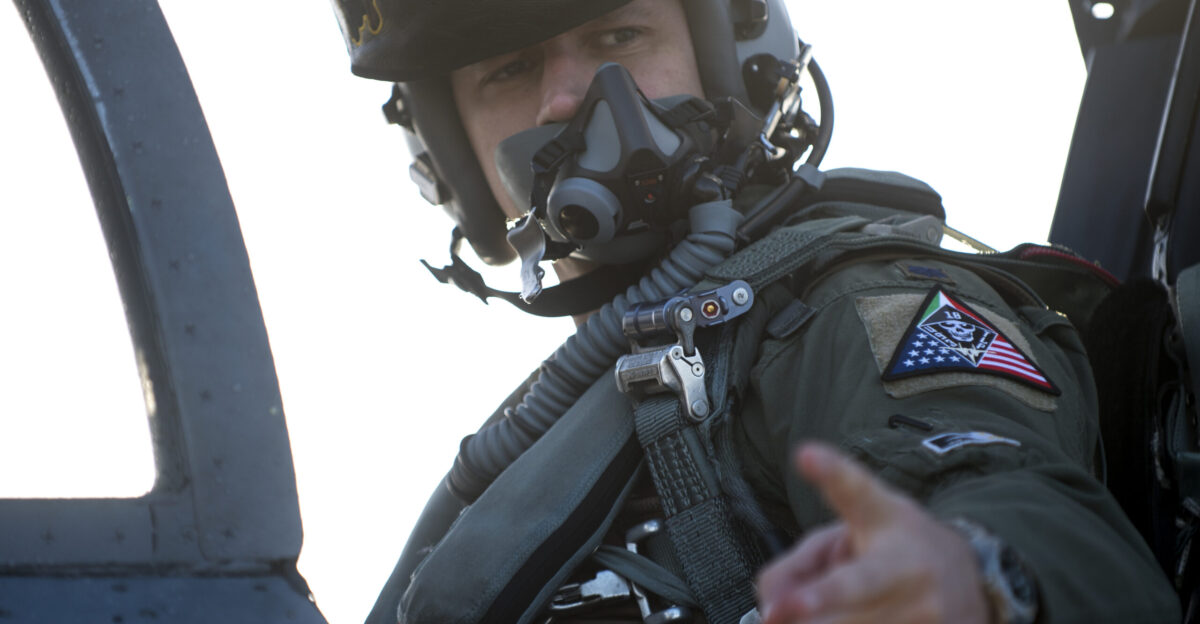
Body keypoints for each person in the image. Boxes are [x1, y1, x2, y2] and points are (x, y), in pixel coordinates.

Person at [330, 0, 1183, 622]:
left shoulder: (844, 301)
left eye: (617, 34)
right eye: (509, 69)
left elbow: (1017, 498)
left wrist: (975, 581)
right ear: (451, 157)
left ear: (729, 53)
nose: (565, 98)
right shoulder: (556, 424)